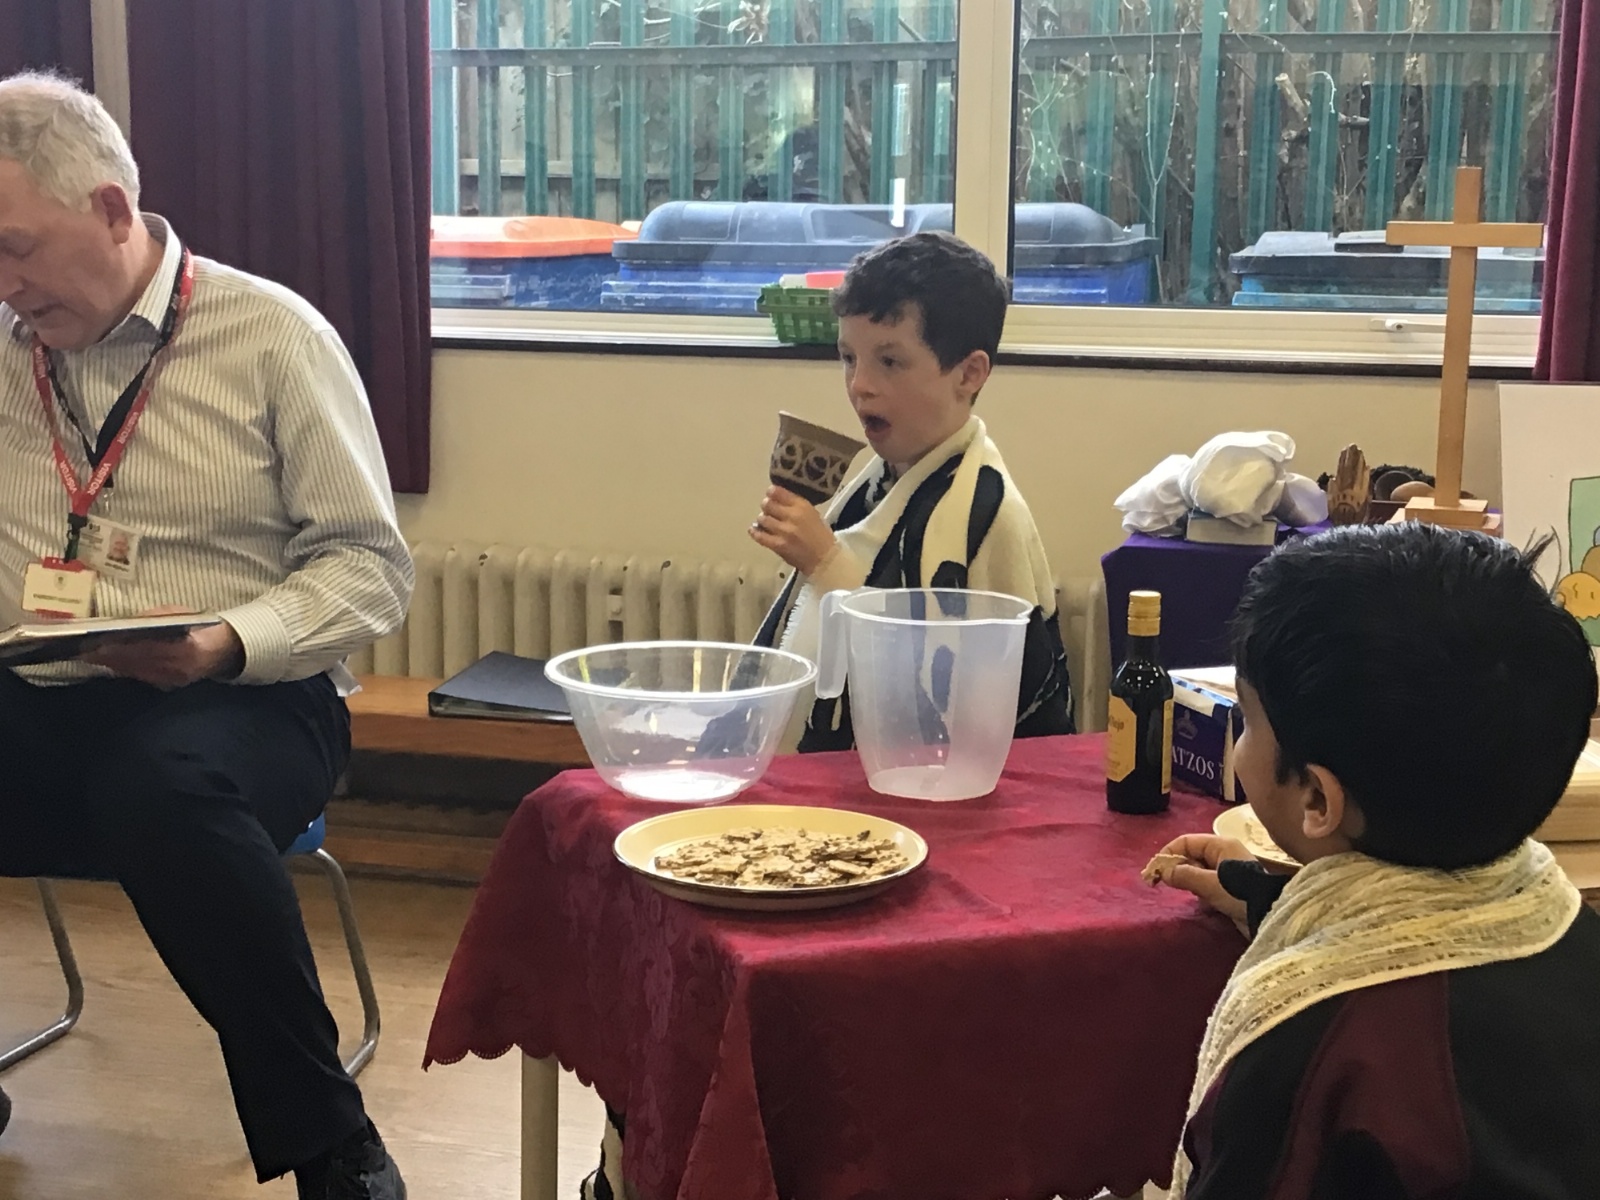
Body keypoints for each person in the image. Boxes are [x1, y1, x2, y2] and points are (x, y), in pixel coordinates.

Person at [0, 73, 414, 1200]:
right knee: (127, 778)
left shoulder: (272, 335)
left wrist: (226, 640)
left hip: (248, 700)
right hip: (47, 693)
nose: (7, 284)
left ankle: (331, 1146)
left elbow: (371, 570)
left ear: (110, 210)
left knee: (162, 788)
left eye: (17, 248)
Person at [1153, 523, 1600, 1199]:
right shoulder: (1572, 932)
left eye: (1247, 719)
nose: (1241, 743)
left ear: (1316, 798)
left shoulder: (1309, 1044)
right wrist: (1273, 901)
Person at [749, 230, 1074, 751]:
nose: (859, 384)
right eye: (848, 358)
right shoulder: (878, 480)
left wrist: (826, 562)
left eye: (889, 362)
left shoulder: (987, 513)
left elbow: (952, 709)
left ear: (968, 374)